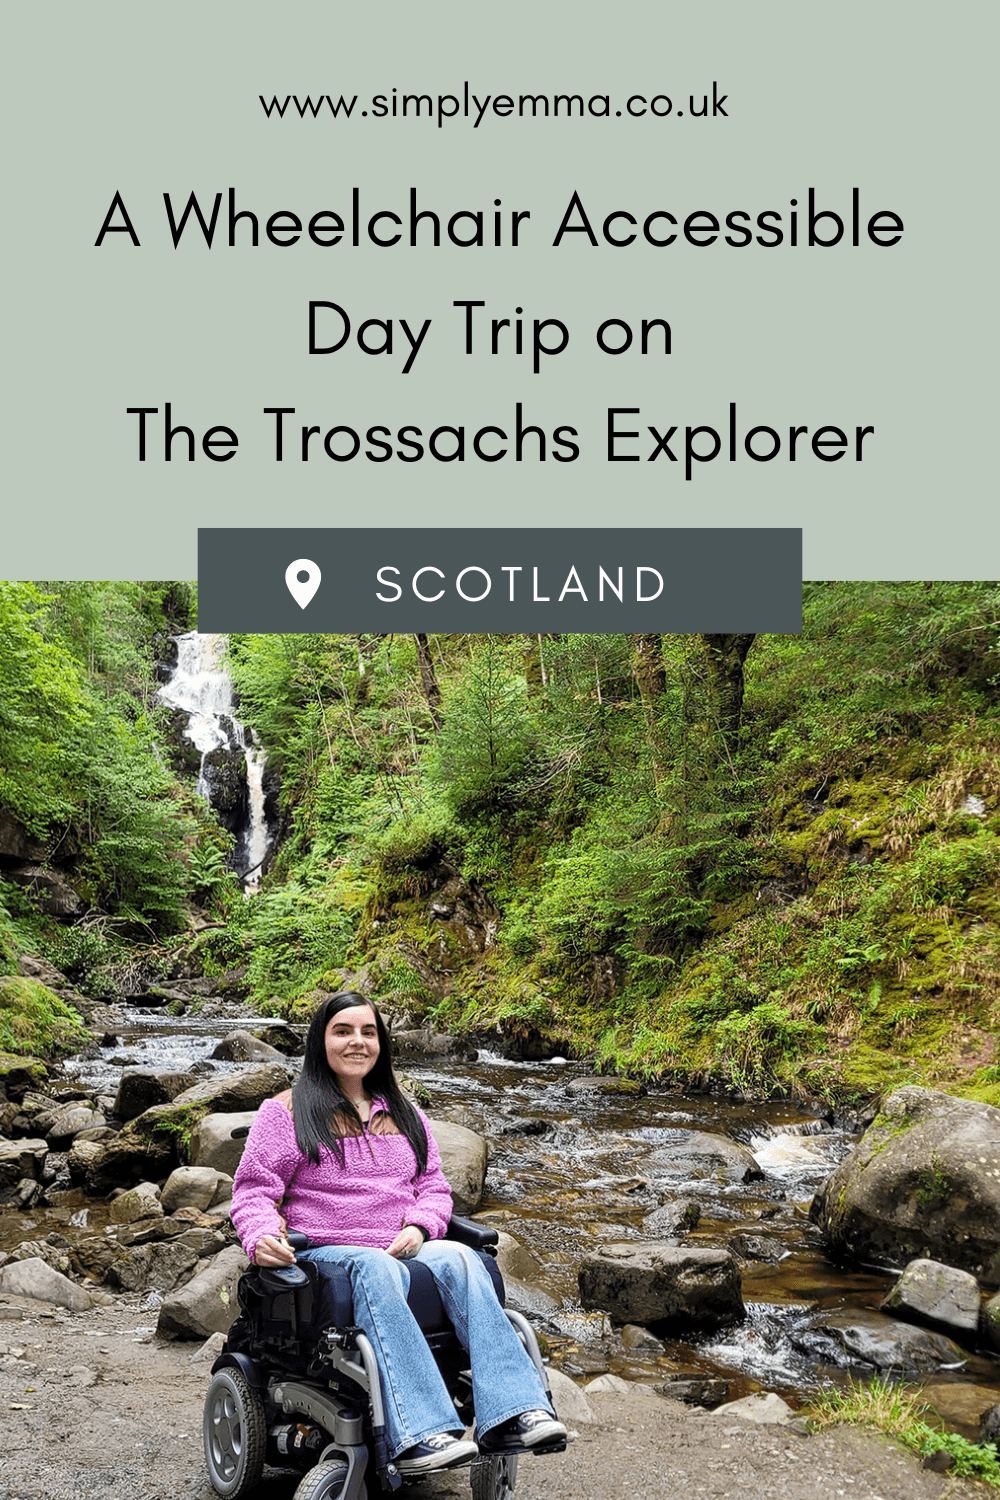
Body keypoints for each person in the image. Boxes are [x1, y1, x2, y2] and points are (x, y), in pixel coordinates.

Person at [231, 991, 566, 1475]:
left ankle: (514, 1413)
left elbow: (434, 1188)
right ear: (320, 1041)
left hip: (401, 1244)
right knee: (376, 1267)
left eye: (368, 1032)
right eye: (342, 1031)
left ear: (381, 1043)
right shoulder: (286, 1112)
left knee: (464, 1259)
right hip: (326, 1251)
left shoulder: (404, 1113)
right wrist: (261, 1235)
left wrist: (419, 1225)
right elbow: (253, 1193)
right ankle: (420, 1434)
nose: (357, 1042)